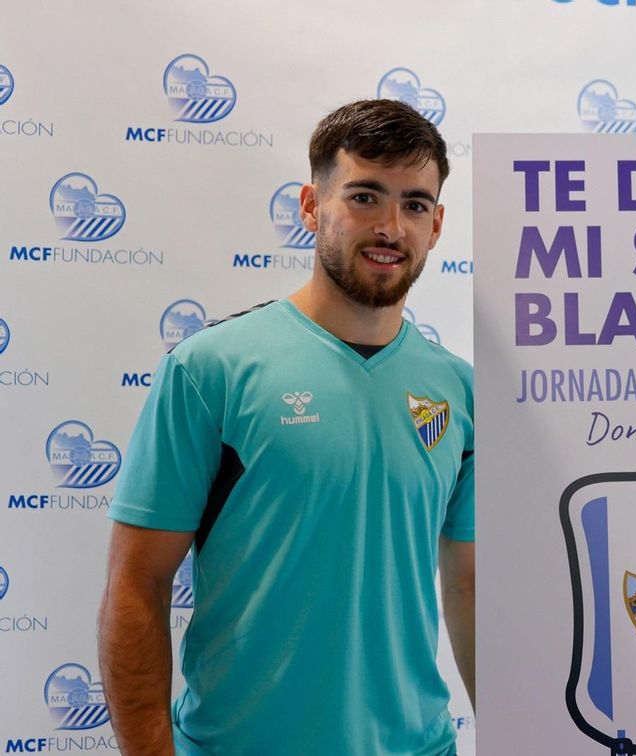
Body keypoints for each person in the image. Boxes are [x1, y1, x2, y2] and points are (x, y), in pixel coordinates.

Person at [98, 99, 475, 755]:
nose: (391, 226)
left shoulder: (460, 390)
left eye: (415, 205)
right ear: (310, 206)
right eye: (365, 196)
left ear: (437, 225)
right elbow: (138, 584)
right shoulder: (211, 370)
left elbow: (468, 584)